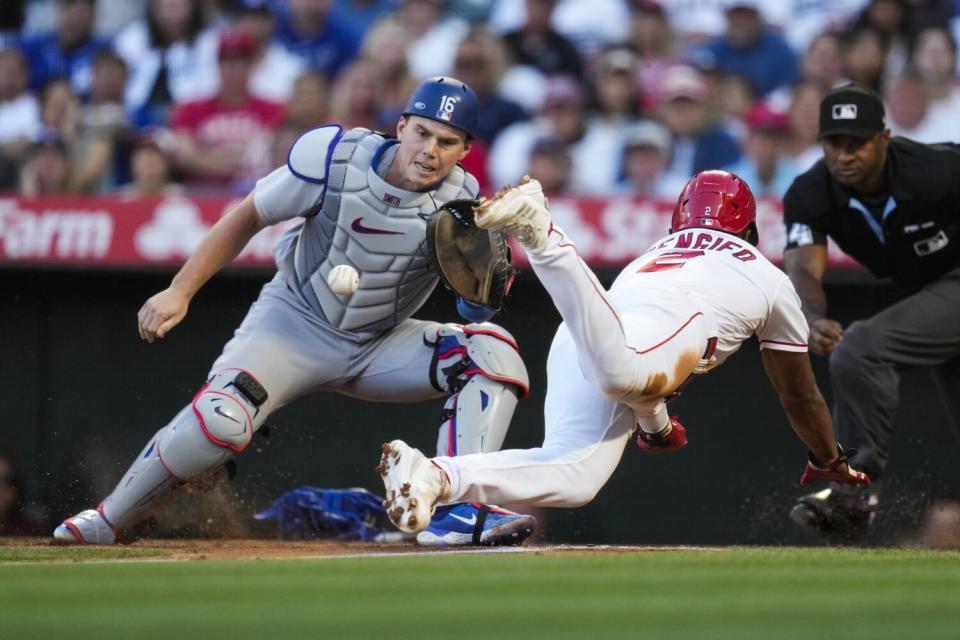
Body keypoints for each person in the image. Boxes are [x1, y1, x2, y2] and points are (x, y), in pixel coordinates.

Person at [53, 76, 534, 548]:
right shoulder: (336, 160)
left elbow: (474, 309)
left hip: (380, 343)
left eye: (446, 141)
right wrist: (180, 290)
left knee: (493, 354)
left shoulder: (464, 207)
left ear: (465, 149)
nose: (430, 150)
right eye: (422, 133)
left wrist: (482, 295)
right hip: (294, 324)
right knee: (219, 420)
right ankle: (110, 519)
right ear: (402, 125)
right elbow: (249, 214)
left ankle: (455, 509)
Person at [376, 170, 869, 533]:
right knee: (620, 375)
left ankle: (436, 473)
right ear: (750, 232)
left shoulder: (650, 255)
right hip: (642, 335)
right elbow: (799, 395)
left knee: (575, 477)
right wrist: (828, 458)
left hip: (590, 328)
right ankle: (542, 233)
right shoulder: (767, 274)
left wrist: (655, 426)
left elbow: (645, 368)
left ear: (680, 219)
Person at [783, 83, 960, 540]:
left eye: (856, 142)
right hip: (933, 292)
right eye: (834, 143)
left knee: (861, 349)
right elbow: (804, 268)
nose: (844, 154)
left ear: (884, 138)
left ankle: (853, 494)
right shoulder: (810, 193)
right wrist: (812, 318)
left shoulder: (937, 170)